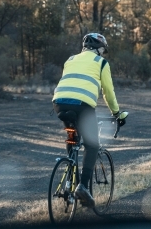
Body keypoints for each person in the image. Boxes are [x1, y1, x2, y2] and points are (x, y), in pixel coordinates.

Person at [52, 33, 126, 208]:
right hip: (82, 106)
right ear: (99, 48)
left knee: (72, 137)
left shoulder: (70, 60)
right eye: (103, 49)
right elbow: (108, 92)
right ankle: (83, 186)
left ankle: (70, 181)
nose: (103, 52)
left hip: (60, 104)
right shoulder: (101, 63)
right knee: (92, 144)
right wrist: (117, 113)